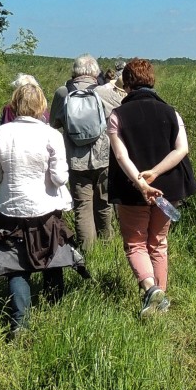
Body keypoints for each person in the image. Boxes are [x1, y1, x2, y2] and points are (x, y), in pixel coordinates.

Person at [0, 83, 87, 336]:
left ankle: (20, 323)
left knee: (15, 263)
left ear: (14, 105)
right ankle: (54, 306)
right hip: (45, 208)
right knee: (53, 253)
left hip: (11, 209)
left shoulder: (0, 133)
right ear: (42, 107)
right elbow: (59, 179)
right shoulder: (52, 136)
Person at [107, 58, 194, 318]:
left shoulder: (117, 115)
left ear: (128, 83)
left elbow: (121, 156)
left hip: (131, 190)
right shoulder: (171, 112)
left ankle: (151, 289)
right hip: (168, 190)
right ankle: (161, 303)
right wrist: (156, 173)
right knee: (158, 243)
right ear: (152, 81)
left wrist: (141, 183)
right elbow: (182, 149)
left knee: (135, 244)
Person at [49, 55, 124, 251]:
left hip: (75, 159)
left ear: (74, 71)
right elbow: (122, 117)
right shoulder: (104, 92)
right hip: (104, 156)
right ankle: (107, 245)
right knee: (104, 203)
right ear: (95, 72)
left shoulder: (62, 92)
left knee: (82, 207)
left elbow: (54, 123)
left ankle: (88, 252)